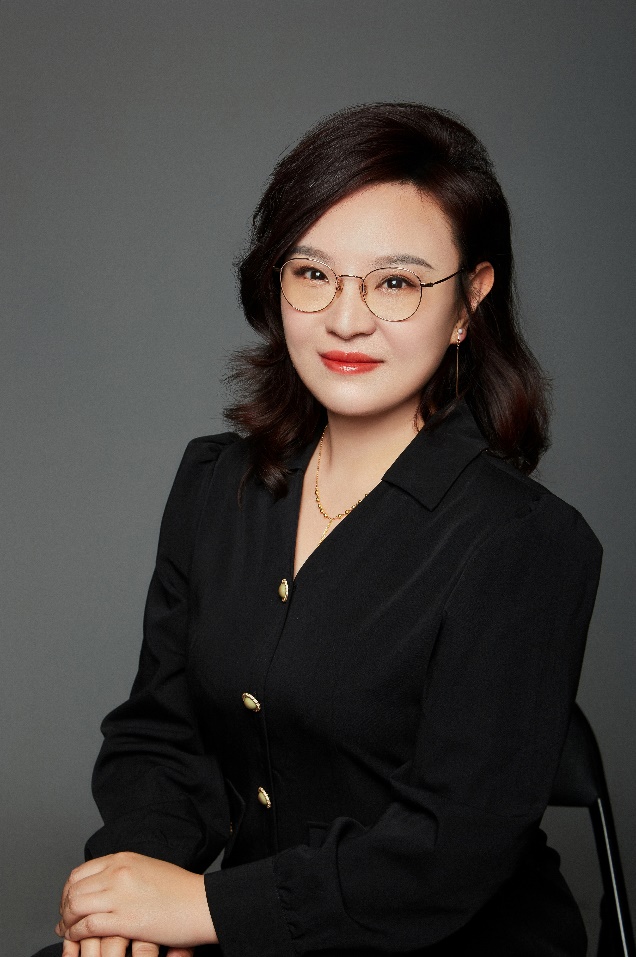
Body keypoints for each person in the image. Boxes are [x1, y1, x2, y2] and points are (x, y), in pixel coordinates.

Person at [37, 103, 602, 957]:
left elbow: (450, 850)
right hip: (253, 929)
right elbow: (163, 735)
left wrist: (205, 908)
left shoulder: (525, 541)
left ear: (469, 301)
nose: (345, 319)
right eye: (313, 273)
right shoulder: (215, 484)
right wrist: (135, 892)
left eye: (396, 283)